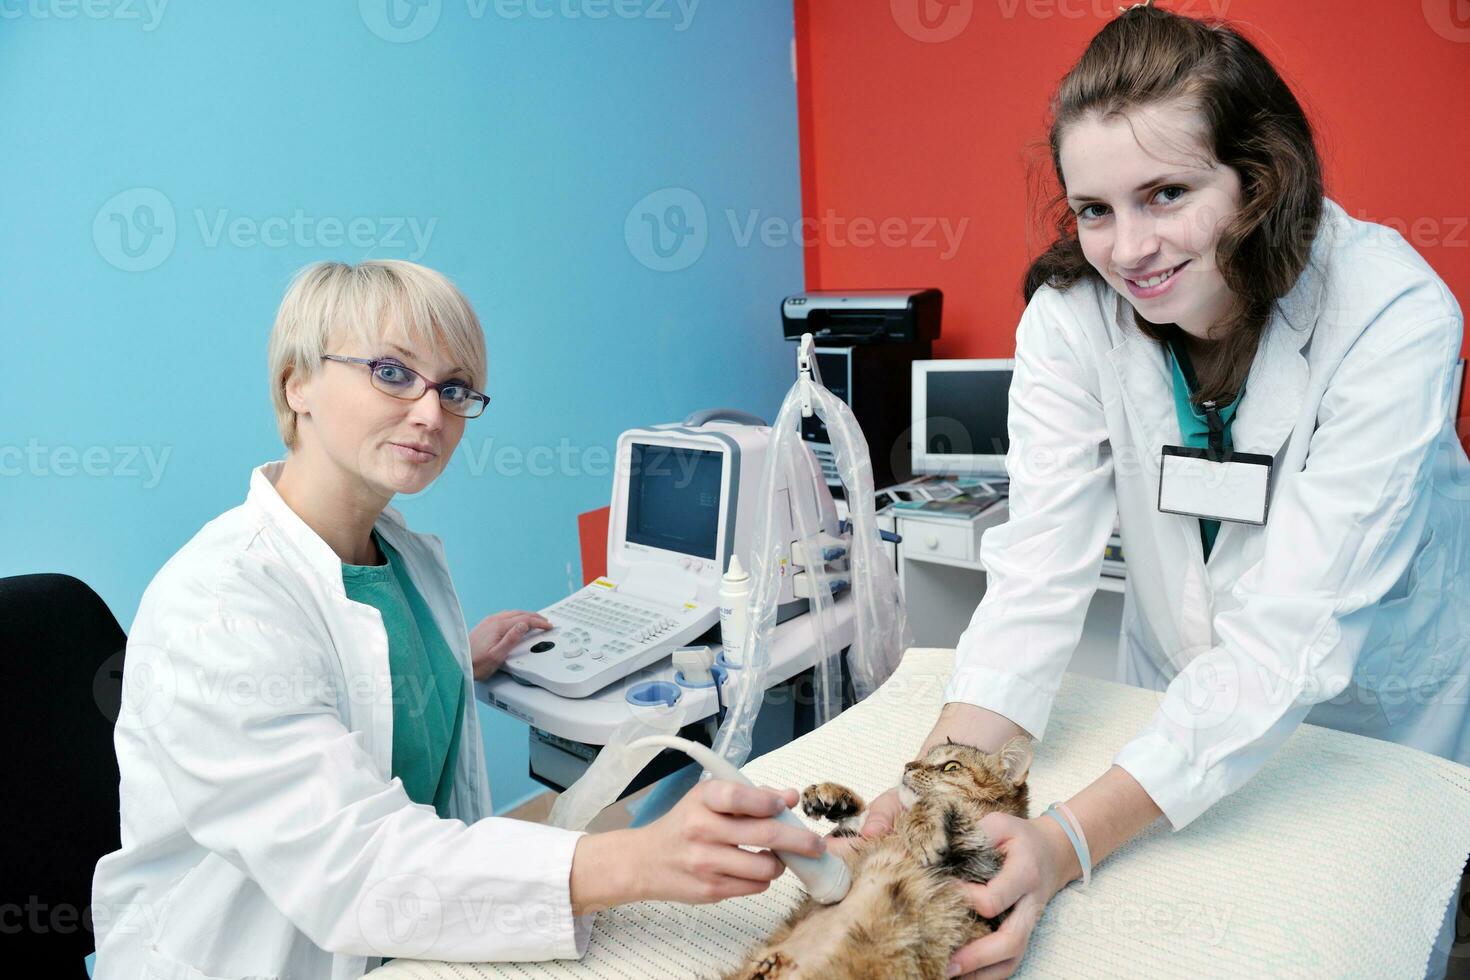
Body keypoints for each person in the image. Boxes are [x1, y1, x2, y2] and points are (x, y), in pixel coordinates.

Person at [857, 5, 1470, 978]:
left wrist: (1062, 839)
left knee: (1360, 939)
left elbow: (1290, 639)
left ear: (1259, 181)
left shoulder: (1390, 316)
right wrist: (941, 788)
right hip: (1179, 690)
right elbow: (1034, 582)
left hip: (1370, 714)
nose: (1128, 249)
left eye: (1167, 193)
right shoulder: (1073, 316)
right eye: (1095, 209)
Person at [90, 260, 826, 979]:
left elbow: (354, 668)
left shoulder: (400, 557)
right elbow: (352, 865)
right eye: (391, 372)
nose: (430, 412)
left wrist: (446, 659)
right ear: (299, 382)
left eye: (453, 388)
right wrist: (637, 859)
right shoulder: (220, 609)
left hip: (405, 938)